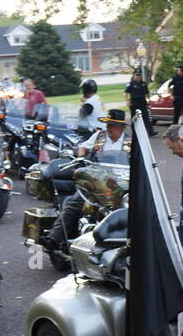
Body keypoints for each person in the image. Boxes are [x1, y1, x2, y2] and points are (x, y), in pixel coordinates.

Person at [45, 108, 129, 253]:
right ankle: (53, 239)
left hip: (120, 183)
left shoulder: (130, 142)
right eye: (108, 124)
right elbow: (83, 147)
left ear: (121, 126)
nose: (109, 128)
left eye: (113, 124)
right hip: (97, 180)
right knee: (75, 203)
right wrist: (81, 156)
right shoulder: (99, 136)